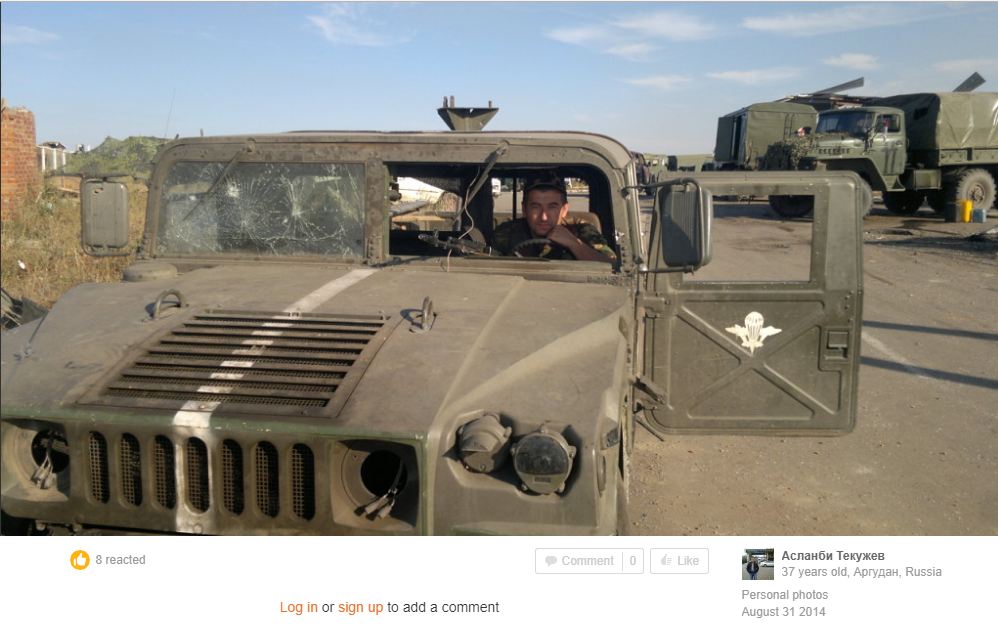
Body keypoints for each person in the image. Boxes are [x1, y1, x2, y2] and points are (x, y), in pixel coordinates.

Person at [492, 178, 616, 263]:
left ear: (564, 210)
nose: (544, 217)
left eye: (552, 207)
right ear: (524, 209)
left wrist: (575, 244)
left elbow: (613, 266)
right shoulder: (506, 233)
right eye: (536, 207)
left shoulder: (583, 232)